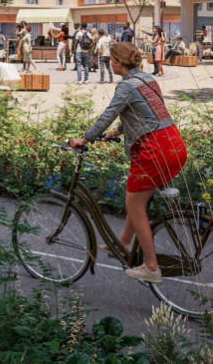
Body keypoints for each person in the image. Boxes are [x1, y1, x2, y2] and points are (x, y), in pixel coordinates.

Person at [68, 42, 187, 284]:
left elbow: (108, 114)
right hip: (174, 145)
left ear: (119, 63)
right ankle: (123, 243)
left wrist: (85, 138)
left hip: (154, 150)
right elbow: (148, 115)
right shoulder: (147, 80)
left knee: (134, 203)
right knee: (137, 198)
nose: (109, 63)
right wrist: (117, 132)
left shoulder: (125, 86)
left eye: (111, 59)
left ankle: (152, 267)